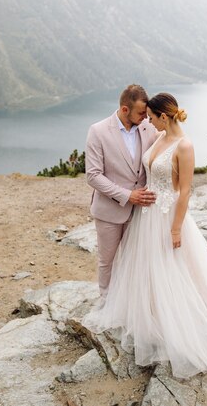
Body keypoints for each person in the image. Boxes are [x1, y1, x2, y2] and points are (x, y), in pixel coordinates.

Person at [83, 92, 207, 379]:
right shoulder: (157, 137)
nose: (146, 122)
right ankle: (142, 310)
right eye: (144, 117)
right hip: (145, 216)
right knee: (143, 266)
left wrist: (175, 228)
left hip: (167, 215)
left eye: (150, 117)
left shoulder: (184, 146)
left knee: (171, 268)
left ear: (162, 116)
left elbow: (185, 191)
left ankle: (172, 319)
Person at [85, 84, 158, 297]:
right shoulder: (98, 131)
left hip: (141, 213)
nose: (146, 117)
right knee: (107, 261)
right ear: (125, 110)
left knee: (133, 260)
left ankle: (127, 303)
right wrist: (127, 196)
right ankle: (106, 303)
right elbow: (93, 175)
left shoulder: (148, 128)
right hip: (109, 210)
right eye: (141, 113)